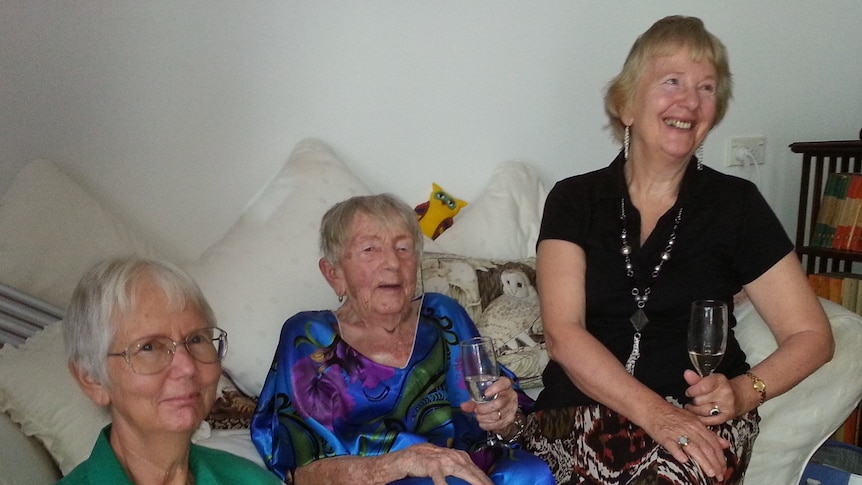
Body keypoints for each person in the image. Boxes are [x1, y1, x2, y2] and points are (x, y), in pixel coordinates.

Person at [524, 15, 834, 485]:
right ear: (626, 104)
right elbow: (564, 334)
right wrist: (657, 417)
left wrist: (743, 393)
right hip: (577, 415)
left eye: (707, 88)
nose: (690, 101)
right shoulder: (574, 200)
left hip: (698, 422)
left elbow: (812, 335)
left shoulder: (737, 205)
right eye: (672, 81)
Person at [250, 194, 554, 485]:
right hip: (379, 480)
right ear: (334, 274)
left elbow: (504, 424)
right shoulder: (308, 337)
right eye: (370, 249)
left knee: (531, 473)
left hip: (473, 470)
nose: (393, 263)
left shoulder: (443, 315)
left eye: (403, 248)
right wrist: (401, 464)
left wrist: (504, 421)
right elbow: (302, 473)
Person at [61, 257, 283, 484]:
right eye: (148, 347)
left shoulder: (251, 480)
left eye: (196, 339)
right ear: (92, 380)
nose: (187, 367)